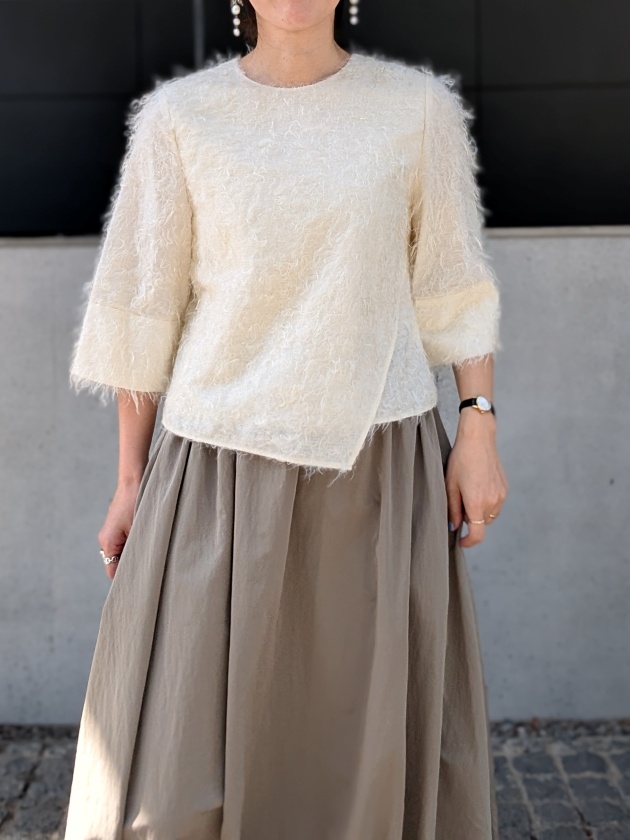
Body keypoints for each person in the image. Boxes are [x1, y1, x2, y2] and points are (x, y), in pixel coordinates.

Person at [63, 0, 508, 837]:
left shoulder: (418, 109)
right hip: (214, 473)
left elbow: (451, 282)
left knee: (362, 741)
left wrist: (477, 424)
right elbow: (139, 310)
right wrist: (129, 481)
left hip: (381, 468)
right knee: (183, 759)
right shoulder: (179, 118)